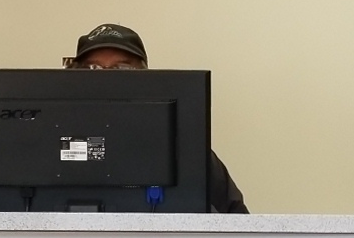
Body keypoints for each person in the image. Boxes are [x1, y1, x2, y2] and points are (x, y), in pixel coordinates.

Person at [65, 24, 247, 214]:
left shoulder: (186, 152)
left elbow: (237, 222)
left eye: (122, 68)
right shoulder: (53, 144)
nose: (107, 80)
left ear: (146, 78)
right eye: (92, 68)